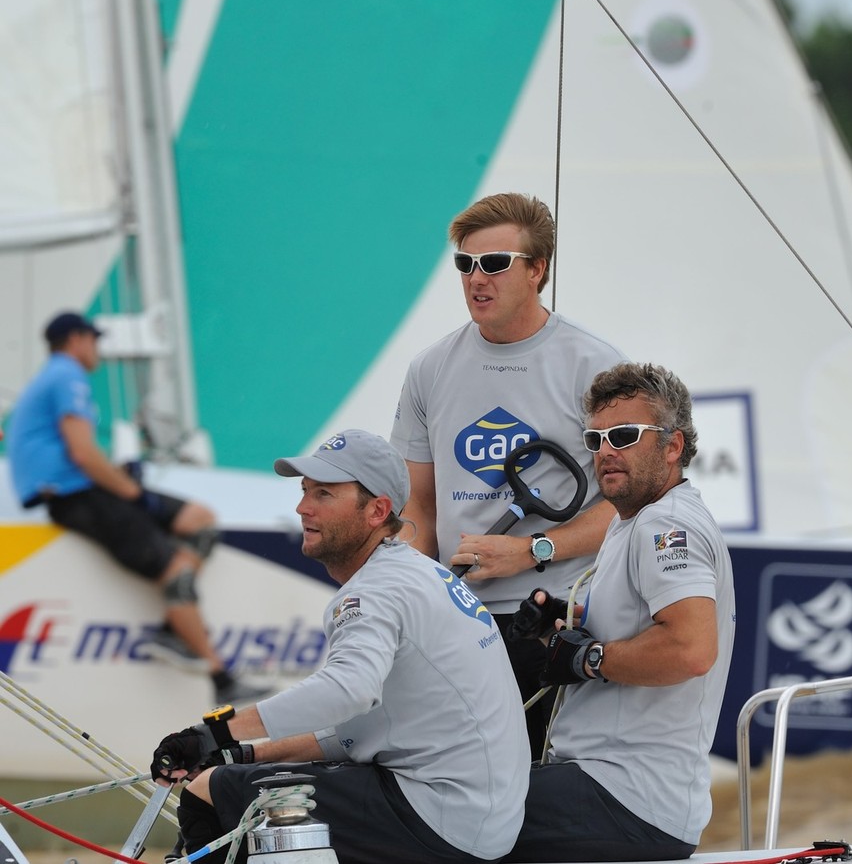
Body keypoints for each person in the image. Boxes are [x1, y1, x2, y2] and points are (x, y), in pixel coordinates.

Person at [151, 429, 530, 864]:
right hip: (476, 819)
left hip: (440, 818)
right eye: (304, 490)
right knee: (231, 775)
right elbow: (353, 732)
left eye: (324, 494)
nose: (302, 507)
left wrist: (212, 734)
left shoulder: (372, 592)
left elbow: (346, 692)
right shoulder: (416, 573)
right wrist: (240, 752)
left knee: (207, 792)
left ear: (377, 511)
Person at [390, 192, 626, 755]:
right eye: (465, 264)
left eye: (495, 263)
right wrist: (415, 596)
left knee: (538, 789)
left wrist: (531, 551)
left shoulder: (595, 367)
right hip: (460, 620)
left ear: (537, 270)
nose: (477, 278)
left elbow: (630, 504)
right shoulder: (429, 367)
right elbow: (416, 507)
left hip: (561, 618)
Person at [505, 361, 736, 863]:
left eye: (625, 435)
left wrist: (589, 659)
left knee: (448, 815)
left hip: (629, 797)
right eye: (595, 439)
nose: (606, 450)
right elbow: (631, 633)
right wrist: (559, 628)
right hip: (612, 786)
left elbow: (690, 648)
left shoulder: (666, 525)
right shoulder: (632, 522)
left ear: (673, 446)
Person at [5, 311, 263, 705]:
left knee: (201, 521)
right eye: (94, 339)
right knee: (175, 572)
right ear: (76, 340)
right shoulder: (66, 375)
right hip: (77, 494)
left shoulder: (52, 378)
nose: (98, 349)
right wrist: (133, 493)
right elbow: (84, 455)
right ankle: (221, 677)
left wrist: (126, 484)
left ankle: (173, 626)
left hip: (79, 487)